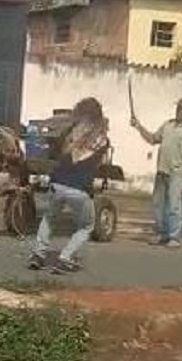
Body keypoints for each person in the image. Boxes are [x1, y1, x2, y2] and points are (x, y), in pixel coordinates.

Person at [28, 97, 109, 275]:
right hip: (79, 188)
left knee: (49, 218)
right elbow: (95, 165)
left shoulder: (70, 132)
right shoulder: (102, 139)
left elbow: (57, 152)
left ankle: (38, 255)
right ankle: (65, 258)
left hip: (57, 182)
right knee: (86, 226)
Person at [130, 96, 182, 248]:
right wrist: (138, 126)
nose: (178, 111)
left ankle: (174, 236)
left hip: (177, 172)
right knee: (158, 204)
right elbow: (153, 139)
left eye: (181, 109)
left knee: (174, 205)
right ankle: (160, 233)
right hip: (162, 170)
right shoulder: (167, 125)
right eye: (177, 108)